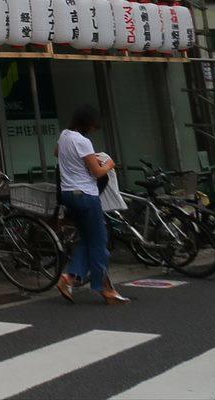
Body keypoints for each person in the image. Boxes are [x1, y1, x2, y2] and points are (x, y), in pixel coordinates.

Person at [57, 105, 128, 304]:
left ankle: (69, 278)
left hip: (68, 194)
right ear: (88, 124)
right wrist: (109, 163)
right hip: (86, 195)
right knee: (98, 242)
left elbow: (57, 153)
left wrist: (74, 162)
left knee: (87, 240)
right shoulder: (83, 141)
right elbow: (97, 172)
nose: (95, 128)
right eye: (94, 124)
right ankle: (103, 287)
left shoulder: (64, 135)